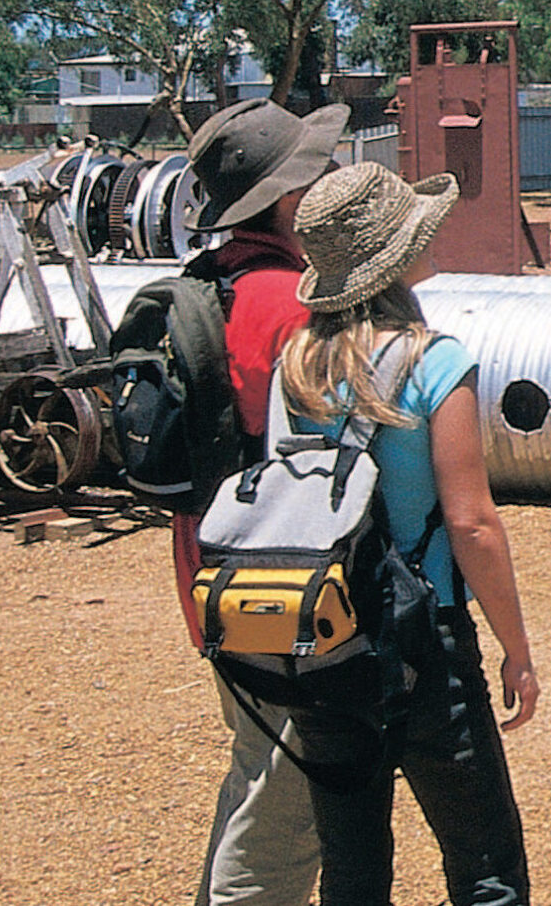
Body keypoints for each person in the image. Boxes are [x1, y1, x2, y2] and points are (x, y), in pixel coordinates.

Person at [276, 161, 538, 905]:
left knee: (353, 866)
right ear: (397, 257)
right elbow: (472, 522)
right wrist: (516, 649)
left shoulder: (294, 365)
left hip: (324, 639)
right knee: (485, 866)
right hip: (426, 638)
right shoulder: (436, 360)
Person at [180, 97, 349, 906]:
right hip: (278, 580)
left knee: (257, 767)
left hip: (209, 564)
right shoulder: (290, 302)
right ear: (287, 197)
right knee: (292, 797)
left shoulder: (209, 280)